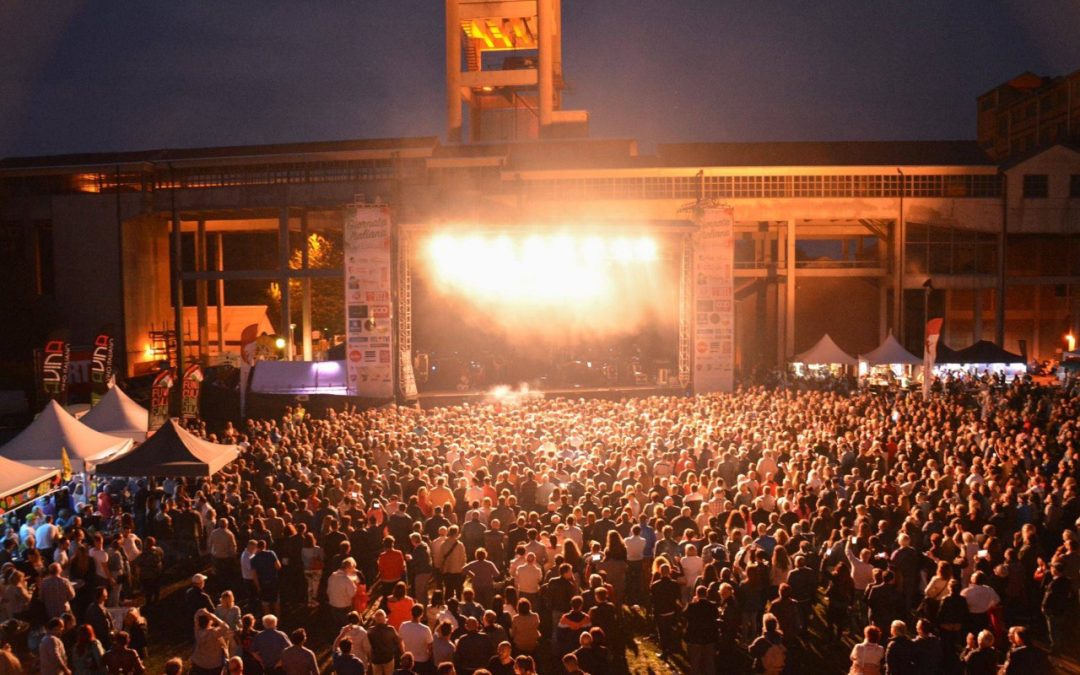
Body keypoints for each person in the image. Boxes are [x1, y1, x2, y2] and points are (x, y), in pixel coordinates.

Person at [683, 585, 719, 673]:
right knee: (709, 663)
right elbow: (716, 617)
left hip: (695, 637)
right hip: (709, 637)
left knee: (695, 663)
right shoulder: (713, 606)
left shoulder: (691, 606)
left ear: (696, 594)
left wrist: (692, 602)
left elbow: (684, 615)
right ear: (706, 594)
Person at [191, 609, 231, 675]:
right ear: (209, 620)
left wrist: (200, 613)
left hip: (199, 664)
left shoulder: (197, 632)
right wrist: (213, 616)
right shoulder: (214, 633)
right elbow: (226, 627)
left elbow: (196, 618)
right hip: (214, 665)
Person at [399, 604, 433, 671]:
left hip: (407, 660)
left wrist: (404, 653)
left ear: (411, 613)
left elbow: (400, 642)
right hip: (422, 660)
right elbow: (430, 646)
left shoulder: (403, 625)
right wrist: (429, 657)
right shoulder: (425, 629)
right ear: (421, 615)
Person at [369, 610, 403, 675]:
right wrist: (402, 652)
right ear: (385, 619)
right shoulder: (390, 629)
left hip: (376, 659)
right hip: (388, 658)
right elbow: (399, 641)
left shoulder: (370, 630)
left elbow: (368, 645)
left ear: (375, 619)